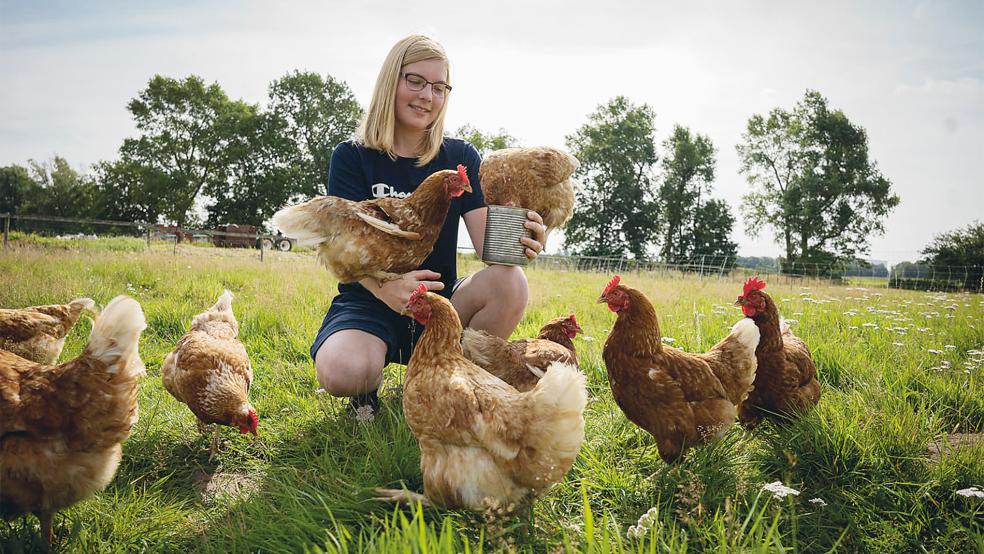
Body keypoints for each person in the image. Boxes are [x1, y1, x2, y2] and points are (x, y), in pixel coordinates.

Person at [311, 35, 546, 413]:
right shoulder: (353, 156)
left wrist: (525, 236)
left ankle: (450, 382)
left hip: (440, 302)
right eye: (416, 81)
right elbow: (342, 247)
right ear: (391, 81)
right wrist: (386, 288)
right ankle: (364, 393)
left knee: (511, 281)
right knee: (344, 371)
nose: (427, 96)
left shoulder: (459, 155)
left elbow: (491, 249)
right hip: (370, 300)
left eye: (439, 87)